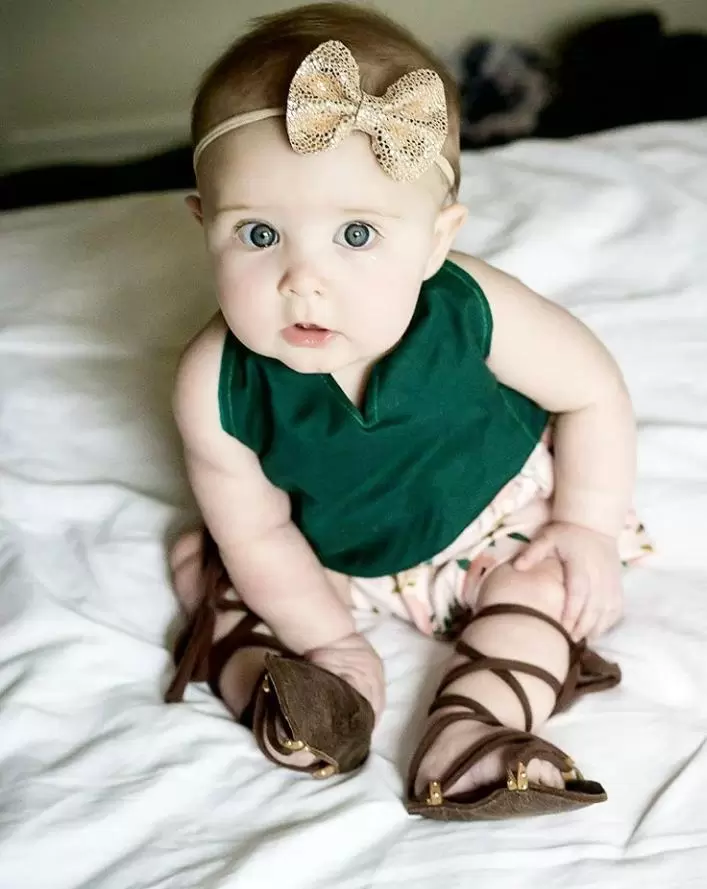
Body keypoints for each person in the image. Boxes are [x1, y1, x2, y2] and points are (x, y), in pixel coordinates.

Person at [164, 1, 652, 821]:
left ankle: (473, 727)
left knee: (544, 593)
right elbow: (258, 532)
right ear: (204, 223)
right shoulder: (211, 382)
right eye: (258, 235)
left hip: (494, 527)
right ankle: (311, 702)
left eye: (356, 234)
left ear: (434, 240)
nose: (302, 280)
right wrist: (331, 638)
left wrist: (585, 525)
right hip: (331, 553)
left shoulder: (469, 308)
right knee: (210, 563)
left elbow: (591, 390)